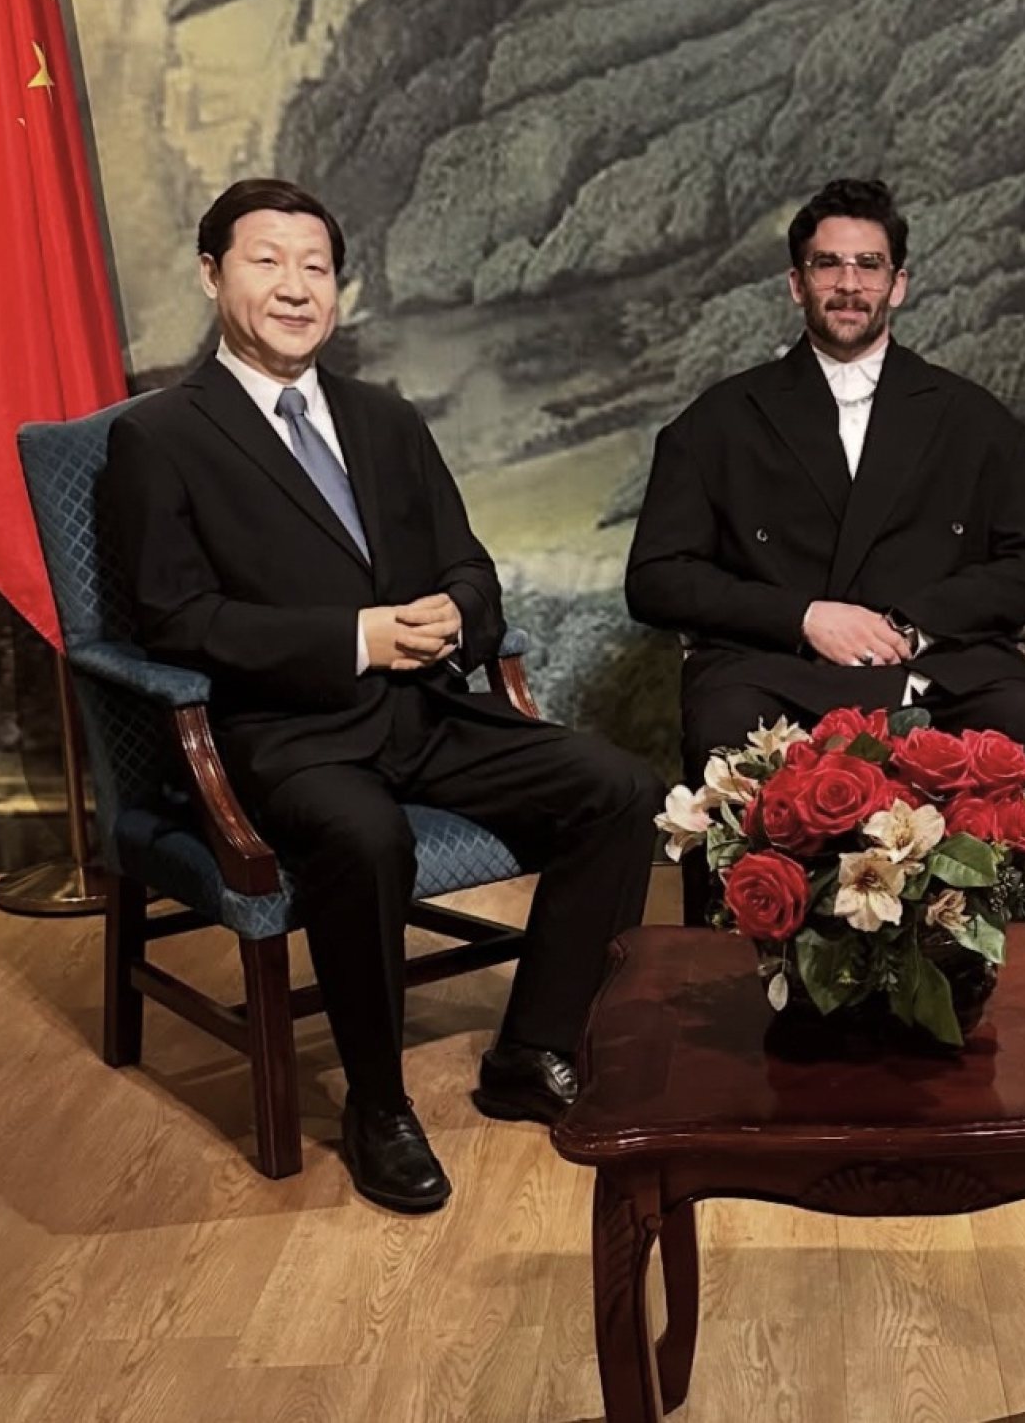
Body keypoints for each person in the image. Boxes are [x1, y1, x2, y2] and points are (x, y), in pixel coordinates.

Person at [102, 178, 660, 1214]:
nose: (296, 286)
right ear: (211, 273)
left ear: (340, 293)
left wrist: (456, 612)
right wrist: (351, 637)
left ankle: (531, 1049)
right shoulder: (162, 436)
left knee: (619, 787)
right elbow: (172, 622)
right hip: (285, 731)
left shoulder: (386, 418)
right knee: (364, 840)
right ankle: (377, 1103)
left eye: (316, 267)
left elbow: (469, 564)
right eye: (267, 260)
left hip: (425, 711)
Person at [625, 176, 1025, 915]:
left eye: (868, 265)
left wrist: (913, 621)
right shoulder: (717, 421)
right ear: (795, 284)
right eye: (826, 265)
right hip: (774, 667)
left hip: (942, 661)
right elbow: (654, 579)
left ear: (898, 285)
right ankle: (727, 986)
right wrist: (803, 616)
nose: (848, 284)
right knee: (722, 731)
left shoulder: (973, 418)